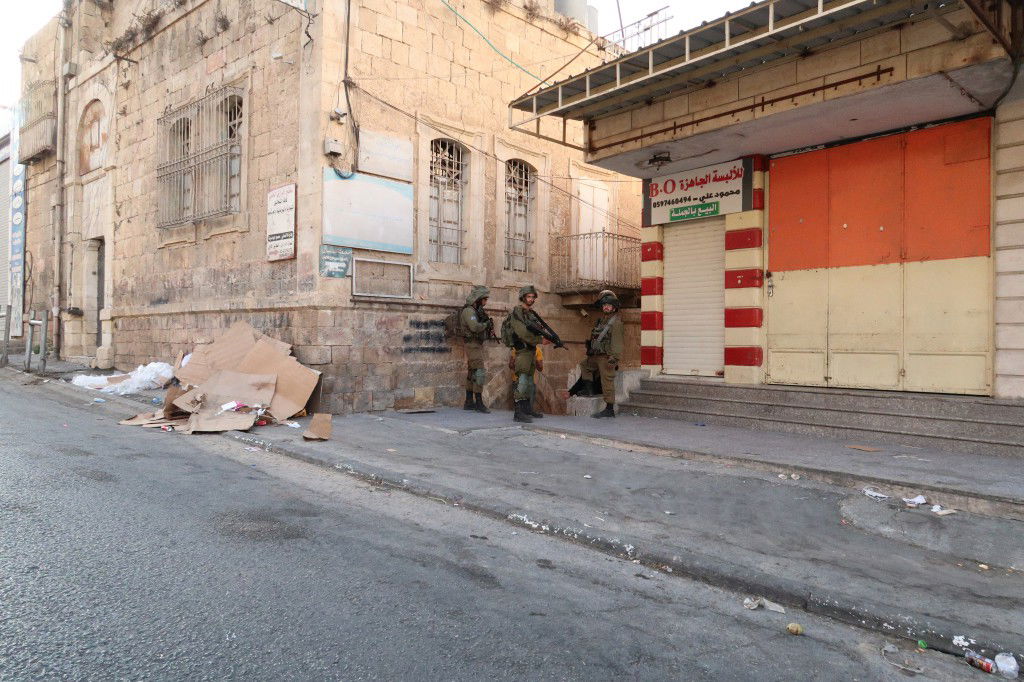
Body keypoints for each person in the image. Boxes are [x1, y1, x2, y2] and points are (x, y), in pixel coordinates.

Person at [576, 289, 623, 418]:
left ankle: (609, 409)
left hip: (606, 357)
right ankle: (589, 390)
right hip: (596, 355)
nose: (606, 307)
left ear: (614, 307)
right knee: (585, 365)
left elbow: (617, 343)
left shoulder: (616, 323)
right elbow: (594, 332)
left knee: (607, 381)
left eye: (609, 305)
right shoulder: (601, 321)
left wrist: (614, 358)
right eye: (604, 305)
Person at [507, 284, 550, 423]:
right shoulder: (517, 313)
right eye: (528, 296)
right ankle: (518, 413)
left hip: (531, 350)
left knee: (530, 382)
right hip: (522, 350)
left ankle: (527, 409)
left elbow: (536, 329)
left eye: (533, 297)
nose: (531, 299)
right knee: (523, 380)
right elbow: (522, 333)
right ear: (523, 297)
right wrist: (540, 340)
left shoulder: (531, 314)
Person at [460, 285, 494, 413]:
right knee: (479, 372)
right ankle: (479, 403)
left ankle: (469, 402)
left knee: (472, 373)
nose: (485, 302)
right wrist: (486, 324)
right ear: (478, 299)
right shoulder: (469, 311)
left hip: (475, 344)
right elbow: (474, 327)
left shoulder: (475, 310)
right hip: (472, 345)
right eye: (484, 299)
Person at [509, 345, 544, 419]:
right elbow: (511, 365)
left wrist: (534, 361)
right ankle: (519, 414)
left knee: (529, 389)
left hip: (526, 380)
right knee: (522, 390)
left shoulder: (537, 350)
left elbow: (540, 368)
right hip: (519, 380)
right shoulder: (518, 348)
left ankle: (527, 411)